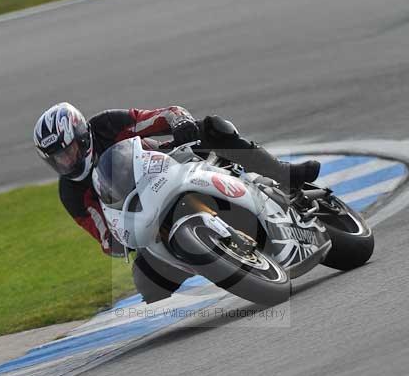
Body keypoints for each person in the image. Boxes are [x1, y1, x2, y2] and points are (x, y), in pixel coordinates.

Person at [32, 102, 320, 302]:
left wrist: (178, 122)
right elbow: (104, 237)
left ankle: (283, 173)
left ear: (83, 136)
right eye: (57, 158)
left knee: (213, 127)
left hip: (167, 166)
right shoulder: (70, 193)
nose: (66, 162)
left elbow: (163, 115)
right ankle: (215, 254)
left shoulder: (107, 124)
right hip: (145, 219)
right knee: (148, 286)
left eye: (68, 151)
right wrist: (117, 241)